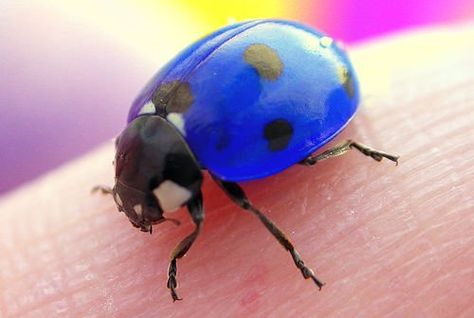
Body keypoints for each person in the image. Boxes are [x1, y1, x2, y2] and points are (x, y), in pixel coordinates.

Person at [0, 24, 473, 317]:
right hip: (279, 45)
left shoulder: (187, 136)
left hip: (316, 70)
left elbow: (211, 209)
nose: (144, 216)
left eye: (144, 199)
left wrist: (176, 257)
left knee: (301, 162)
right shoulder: (143, 113)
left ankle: (350, 148)